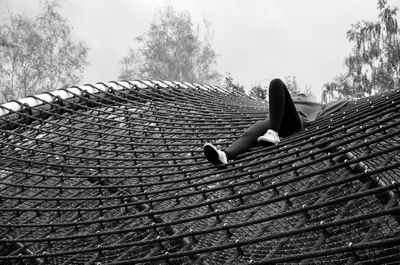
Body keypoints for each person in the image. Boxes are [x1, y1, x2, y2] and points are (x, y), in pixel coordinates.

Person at [203, 78, 348, 165]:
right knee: (250, 133)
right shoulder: (280, 102)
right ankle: (224, 155)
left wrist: (350, 102)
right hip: (274, 122)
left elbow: (335, 105)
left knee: (276, 83)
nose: (300, 95)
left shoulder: (317, 106)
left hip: (294, 123)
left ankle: (274, 133)